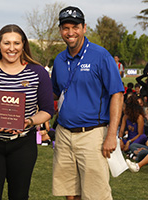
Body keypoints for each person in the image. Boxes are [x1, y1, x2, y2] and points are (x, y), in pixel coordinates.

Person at [51, 6, 124, 200]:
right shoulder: (59, 59)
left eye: (75, 27)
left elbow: (117, 94)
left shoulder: (101, 56)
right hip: (64, 133)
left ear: (84, 28)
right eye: (65, 28)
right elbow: (54, 94)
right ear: (60, 30)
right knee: (70, 192)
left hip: (92, 134)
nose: (70, 32)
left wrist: (111, 135)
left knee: (96, 194)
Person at [0, 24, 54, 200]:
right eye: (7, 43)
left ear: (23, 45)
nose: (12, 48)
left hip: (22, 145)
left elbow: (48, 110)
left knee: (19, 196)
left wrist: (29, 121)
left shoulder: (38, 72)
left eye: (16, 43)